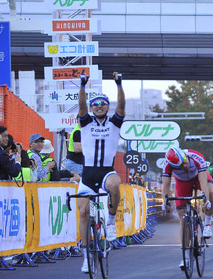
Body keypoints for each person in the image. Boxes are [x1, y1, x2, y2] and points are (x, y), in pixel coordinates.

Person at [76, 72, 125, 274]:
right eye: (95, 103)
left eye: (102, 103)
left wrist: (119, 84)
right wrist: (82, 85)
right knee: (83, 213)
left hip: (106, 171)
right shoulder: (86, 122)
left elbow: (121, 106)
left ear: (107, 106)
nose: (98, 106)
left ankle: (111, 222)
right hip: (87, 174)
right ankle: (87, 257)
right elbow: (81, 106)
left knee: (115, 185)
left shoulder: (114, 123)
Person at [162, 146, 213, 271]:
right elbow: (166, 186)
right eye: (180, 166)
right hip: (182, 182)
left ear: (185, 157)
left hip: (198, 177)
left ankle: (207, 223)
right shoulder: (167, 165)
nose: (184, 166)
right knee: (183, 218)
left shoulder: (196, 157)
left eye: (185, 162)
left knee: (211, 192)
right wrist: (166, 202)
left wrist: (206, 200)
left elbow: (203, 183)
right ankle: (186, 255)